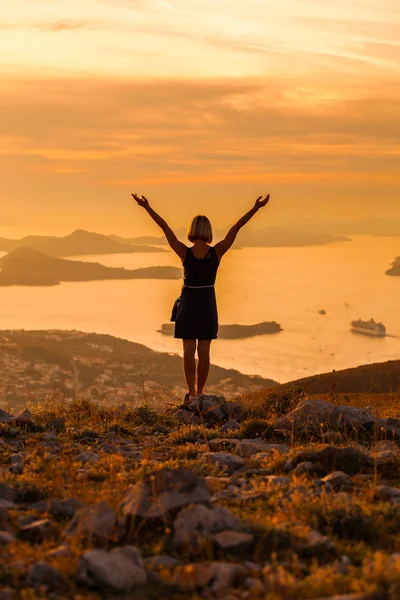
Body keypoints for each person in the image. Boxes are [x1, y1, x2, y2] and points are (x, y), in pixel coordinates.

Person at [132, 193, 270, 401]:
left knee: (189, 349)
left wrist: (147, 207)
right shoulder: (217, 252)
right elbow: (236, 228)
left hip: (188, 303)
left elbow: (165, 228)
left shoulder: (184, 252)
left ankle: (191, 391)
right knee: (204, 350)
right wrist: (255, 208)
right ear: (208, 231)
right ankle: (201, 392)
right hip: (206, 304)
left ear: (192, 230)